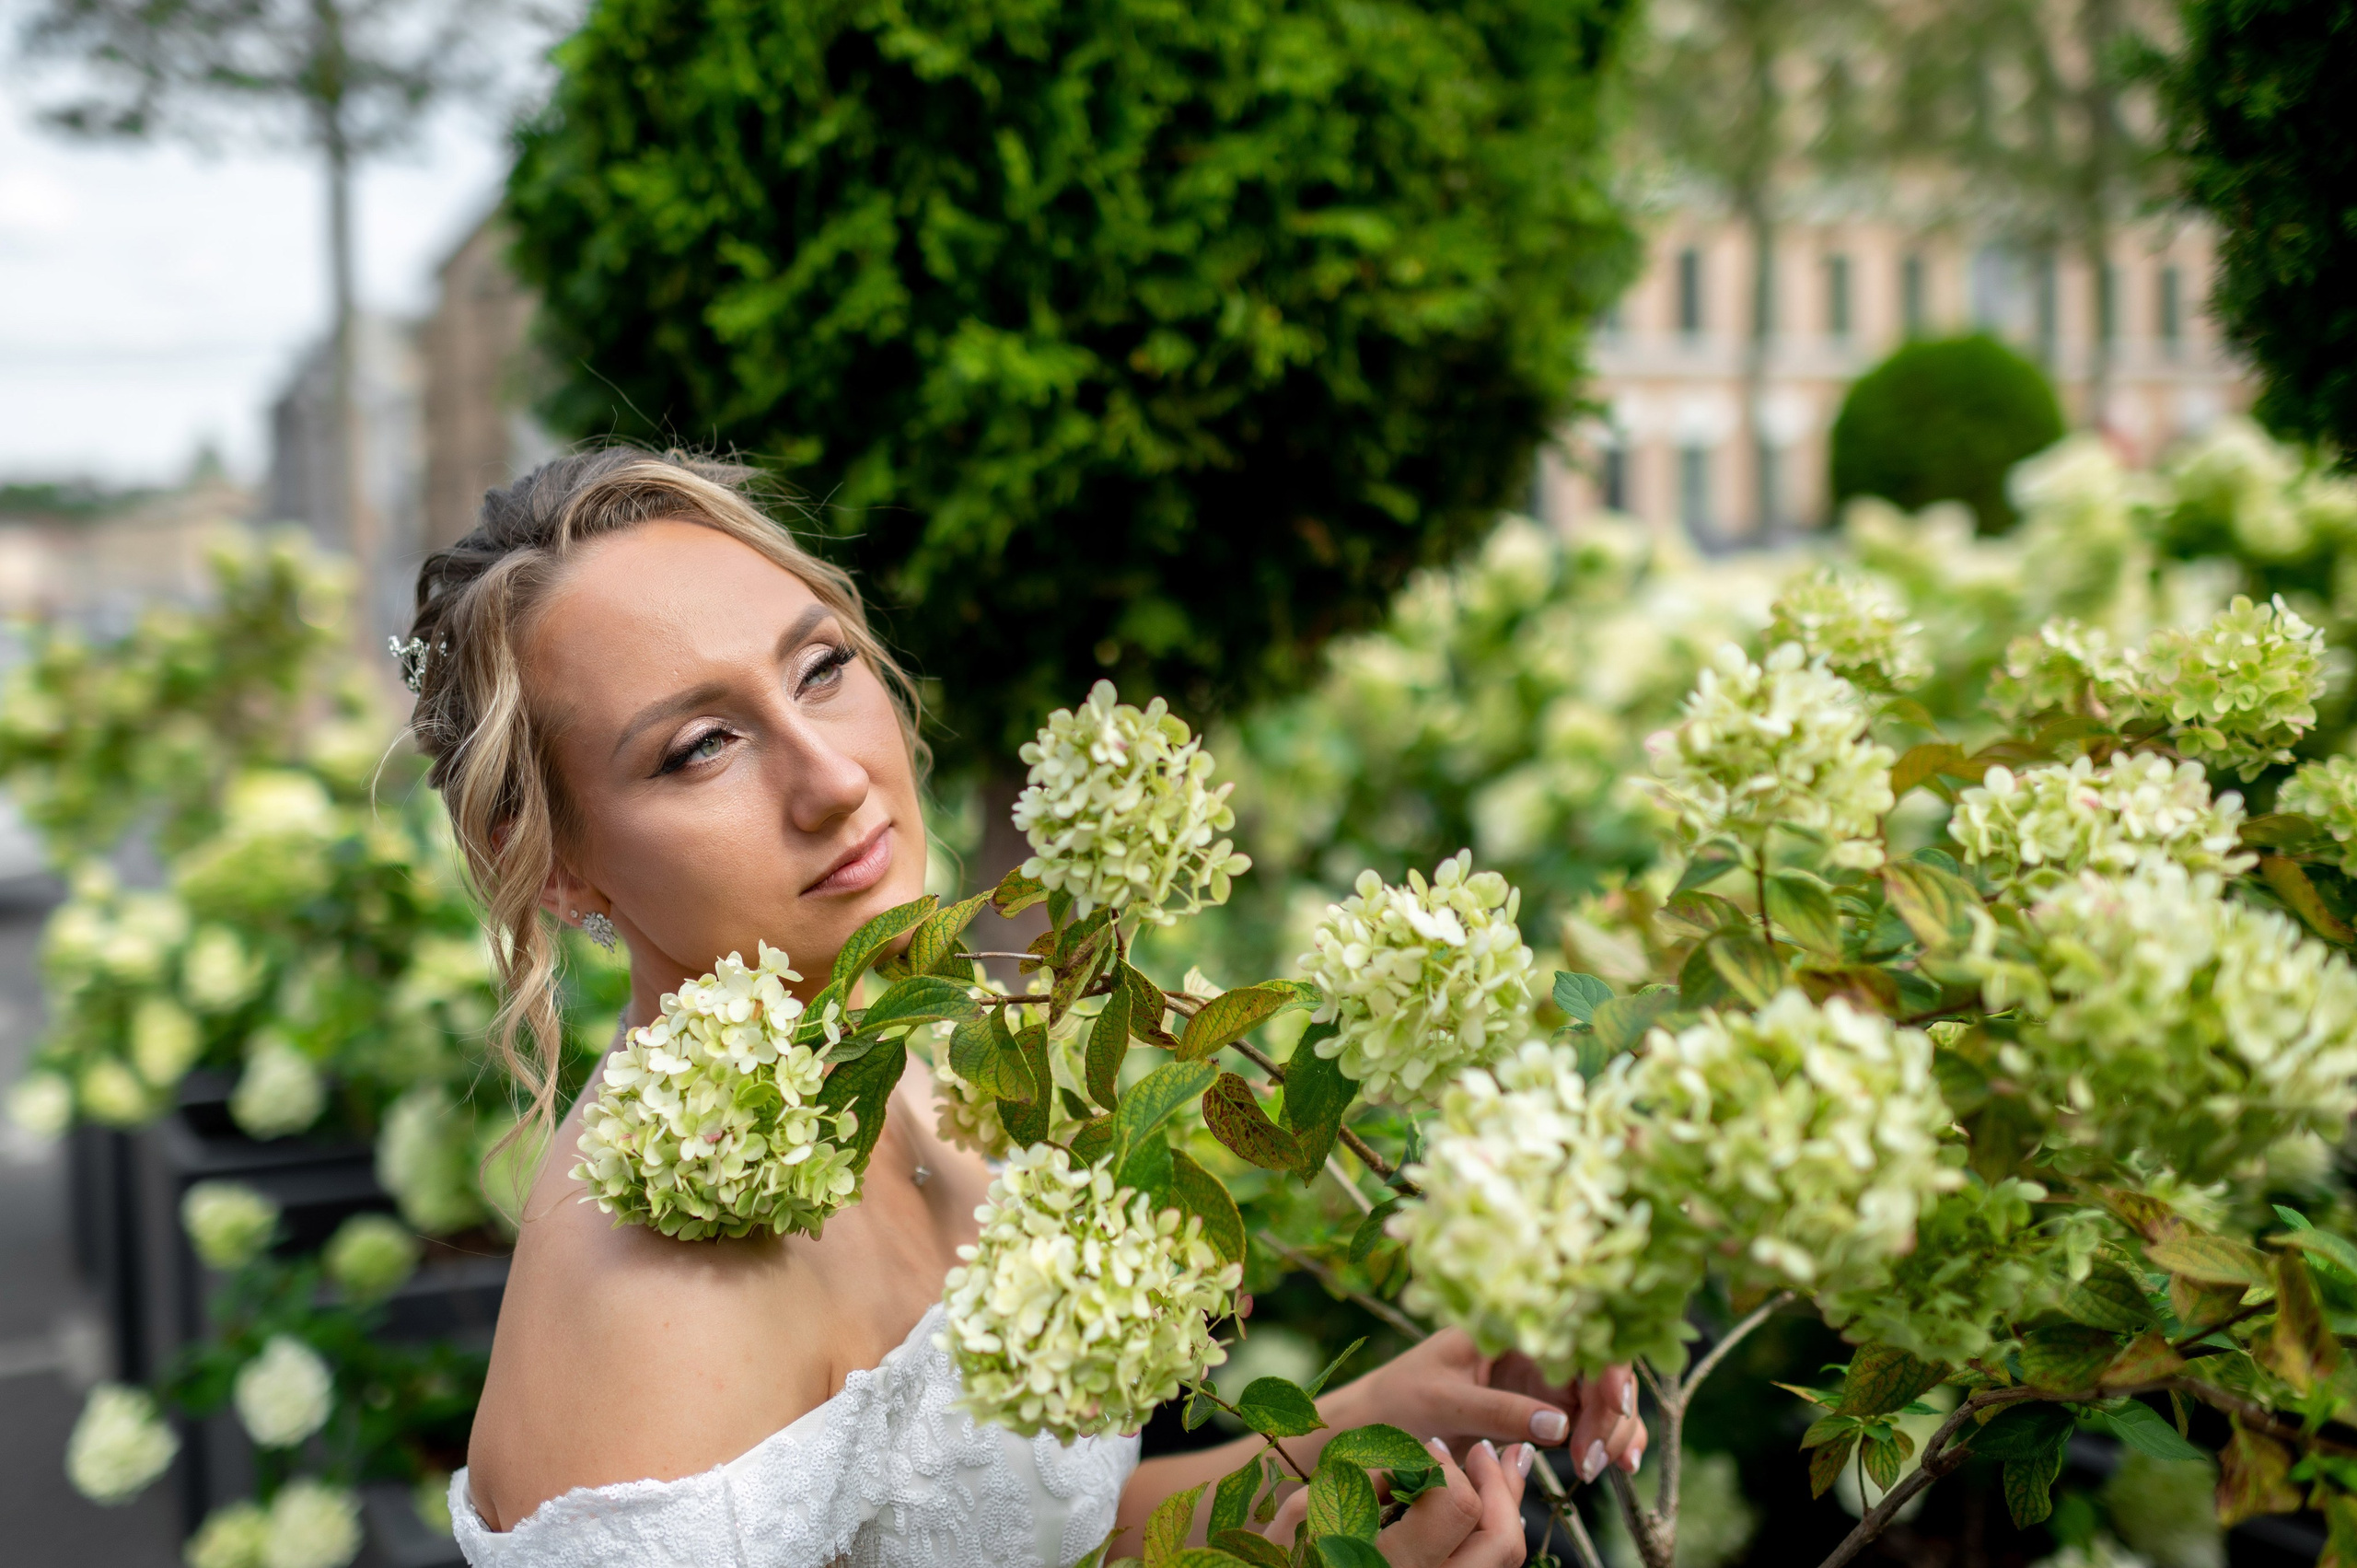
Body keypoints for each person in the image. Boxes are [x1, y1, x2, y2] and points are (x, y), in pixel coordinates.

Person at [401, 448, 1647, 1568]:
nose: (835, 779)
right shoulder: (647, 1283)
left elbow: (1042, 1533)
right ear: (556, 863)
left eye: (821, 668)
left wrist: (1380, 1421)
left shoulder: (925, 1072)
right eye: (702, 748)